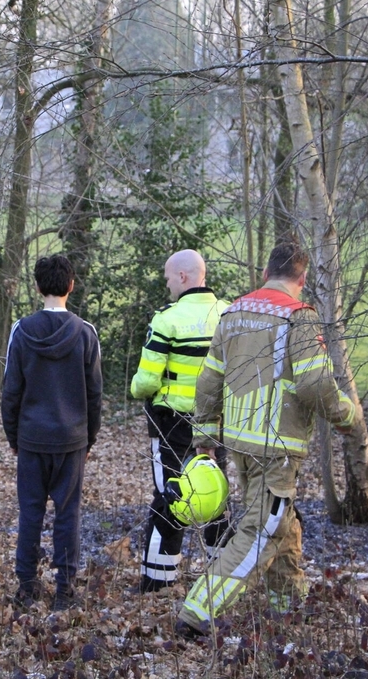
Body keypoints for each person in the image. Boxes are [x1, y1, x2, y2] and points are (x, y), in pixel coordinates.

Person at [176, 241, 358, 635]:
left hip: (240, 444)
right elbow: (315, 384)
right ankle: (197, 612)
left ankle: (288, 606)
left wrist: (205, 435)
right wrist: (345, 415)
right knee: (261, 532)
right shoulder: (300, 318)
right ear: (303, 278)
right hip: (277, 449)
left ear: (265, 273)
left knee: (283, 524)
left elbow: (209, 379)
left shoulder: (234, 312)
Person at [1, 255, 103, 611]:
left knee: (30, 512)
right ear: (71, 286)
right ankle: (65, 590)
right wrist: (88, 439)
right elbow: (94, 394)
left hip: (32, 438)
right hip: (71, 440)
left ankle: (27, 587)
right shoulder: (86, 333)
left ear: (37, 286)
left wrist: (14, 436)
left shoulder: (21, 330)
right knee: (68, 513)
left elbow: (11, 389)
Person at [130, 249, 231, 593]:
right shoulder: (228, 315)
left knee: (170, 496)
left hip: (172, 423)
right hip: (218, 421)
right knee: (215, 495)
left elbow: (145, 381)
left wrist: (136, 388)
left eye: (169, 278)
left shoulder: (166, 319)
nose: (168, 284)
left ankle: (157, 583)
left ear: (184, 277)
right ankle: (223, 579)